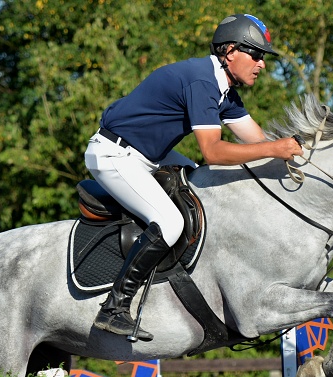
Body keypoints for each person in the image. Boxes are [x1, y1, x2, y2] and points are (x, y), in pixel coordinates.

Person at [86, 13, 304, 341]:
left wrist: (302, 159)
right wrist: (277, 149)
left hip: (147, 154)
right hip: (114, 154)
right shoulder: (203, 81)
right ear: (230, 51)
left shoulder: (225, 91)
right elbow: (214, 151)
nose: (261, 64)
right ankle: (114, 308)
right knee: (171, 223)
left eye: (263, 57)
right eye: (256, 54)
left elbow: (257, 142)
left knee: (205, 183)